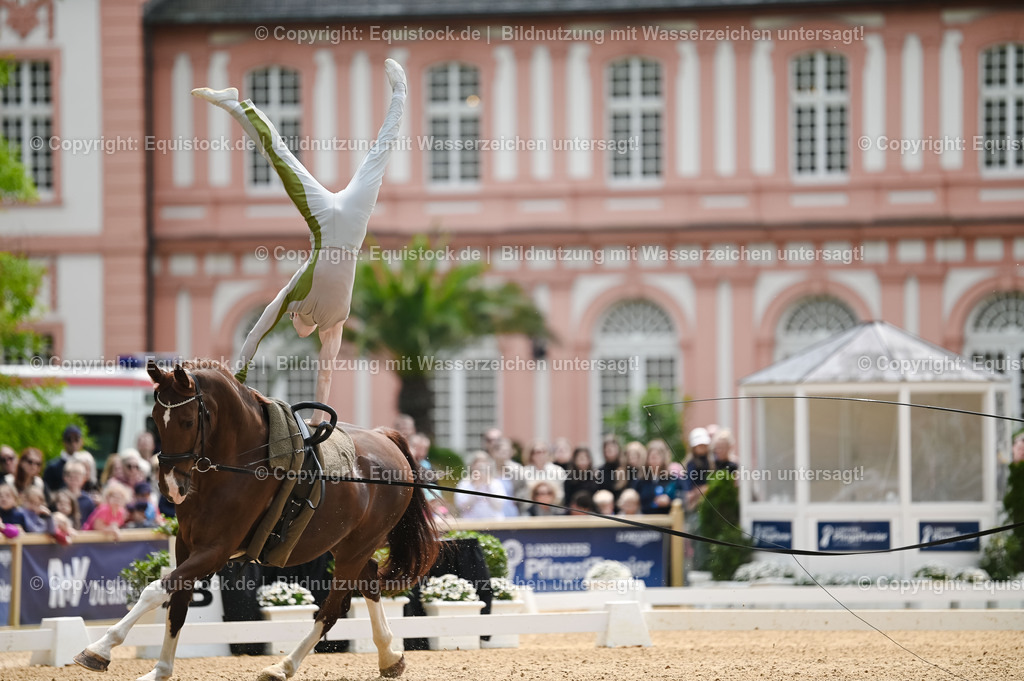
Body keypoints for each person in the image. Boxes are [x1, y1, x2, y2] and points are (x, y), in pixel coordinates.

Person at [193, 59, 408, 413]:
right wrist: (321, 415)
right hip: (352, 224)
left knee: (281, 158)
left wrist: (238, 377)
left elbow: (255, 334)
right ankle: (400, 92)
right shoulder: (334, 325)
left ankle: (234, 103)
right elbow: (325, 376)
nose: (297, 328)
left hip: (324, 219)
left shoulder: (293, 297)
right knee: (377, 155)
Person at [455, 452, 508, 520]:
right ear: (472, 465)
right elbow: (462, 506)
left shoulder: (495, 483)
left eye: (484, 461)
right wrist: (475, 487)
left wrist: (489, 486)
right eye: (477, 462)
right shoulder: (465, 483)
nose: (481, 465)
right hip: (471, 524)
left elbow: (499, 505)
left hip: (494, 523)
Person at [631, 439, 678, 514]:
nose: (654, 458)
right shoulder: (640, 481)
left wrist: (670, 501)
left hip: (667, 521)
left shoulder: (672, 479)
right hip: (645, 520)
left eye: (657, 455)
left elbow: (682, 498)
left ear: (664, 457)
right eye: (652, 456)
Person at [520, 440, 566, 513]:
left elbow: (560, 493)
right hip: (531, 511)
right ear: (531, 454)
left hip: (553, 511)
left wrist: (548, 500)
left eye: (544, 451)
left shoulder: (558, 470)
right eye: (537, 452)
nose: (540, 455)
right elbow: (523, 494)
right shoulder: (523, 472)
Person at [43, 425, 91, 493]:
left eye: (76, 440)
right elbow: (47, 491)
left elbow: (90, 487)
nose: (73, 443)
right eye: (69, 440)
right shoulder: (53, 466)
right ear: (64, 442)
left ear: (81, 442)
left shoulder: (86, 464)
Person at [491, 436, 523, 517]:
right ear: (494, 452)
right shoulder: (488, 469)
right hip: (492, 511)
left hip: (512, 510)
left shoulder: (517, 469)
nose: (504, 454)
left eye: (507, 451)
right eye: (502, 451)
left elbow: (523, 489)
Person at [684, 427, 714, 513]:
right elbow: (688, 480)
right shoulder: (691, 463)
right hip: (696, 496)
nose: (702, 448)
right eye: (699, 446)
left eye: (704, 445)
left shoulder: (710, 462)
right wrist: (690, 492)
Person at [62, 459, 96, 524]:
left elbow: (91, 522)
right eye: (71, 477)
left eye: (77, 477)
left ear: (83, 479)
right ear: (65, 478)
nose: (74, 480)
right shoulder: (59, 497)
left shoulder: (88, 501)